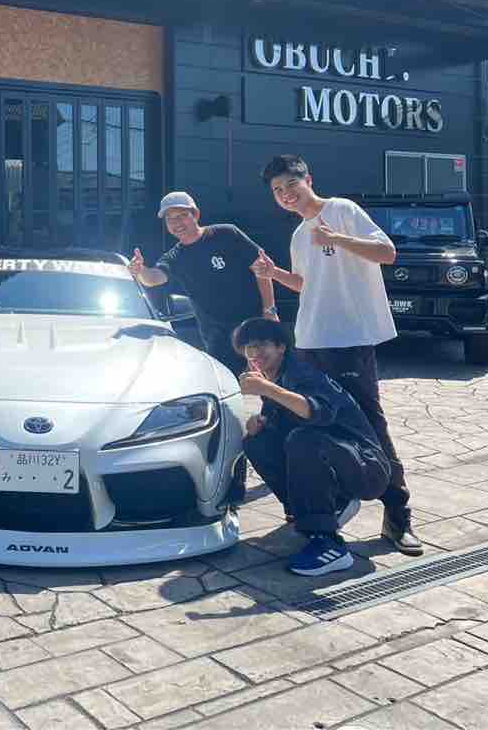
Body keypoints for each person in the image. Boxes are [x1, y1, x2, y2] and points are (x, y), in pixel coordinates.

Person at [252, 154, 422, 556]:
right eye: (277, 191)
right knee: (305, 424)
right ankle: (321, 510)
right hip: (309, 342)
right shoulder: (299, 235)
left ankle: (398, 515)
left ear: (308, 179)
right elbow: (305, 283)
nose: (286, 195)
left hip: (349, 340)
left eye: (291, 185)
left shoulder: (342, 210)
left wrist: (339, 239)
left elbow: (387, 252)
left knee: (370, 427)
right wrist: (274, 275)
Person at [234, 318, 390, 576]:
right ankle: (314, 511)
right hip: (338, 459)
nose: (254, 353)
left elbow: (317, 412)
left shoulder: (302, 374)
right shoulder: (276, 378)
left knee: (303, 440)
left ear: (281, 347)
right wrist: (259, 424)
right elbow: (278, 425)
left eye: (261, 345)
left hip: (367, 467)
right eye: (248, 347)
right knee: (257, 442)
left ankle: (329, 544)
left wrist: (268, 389)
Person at [128, 190, 278, 375]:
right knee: (229, 387)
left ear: (196, 214)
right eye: (170, 219)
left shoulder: (226, 233)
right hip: (217, 341)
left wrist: (270, 311)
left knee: (267, 381)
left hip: (253, 330)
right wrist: (140, 270)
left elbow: (262, 269)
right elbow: (153, 279)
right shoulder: (175, 257)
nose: (177, 223)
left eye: (182, 216)